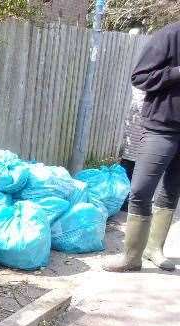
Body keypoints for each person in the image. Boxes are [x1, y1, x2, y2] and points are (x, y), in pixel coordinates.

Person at [104, 22, 180, 272]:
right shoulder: (170, 35)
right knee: (140, 190)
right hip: (162, 127)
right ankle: (131, 256)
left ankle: (153, 249)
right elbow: (140, 77)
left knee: (171, 191)